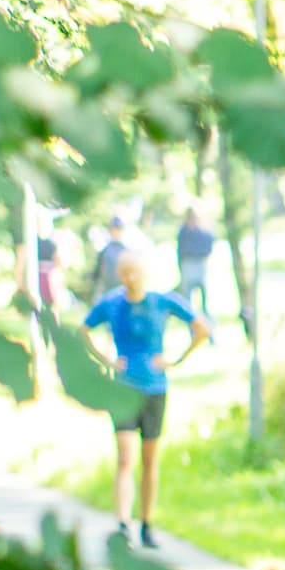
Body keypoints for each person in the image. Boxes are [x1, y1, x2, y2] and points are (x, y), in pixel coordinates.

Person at [81, 248, 209, 547]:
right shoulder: (112, 303)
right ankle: (123, 523)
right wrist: (107, 361)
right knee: (125, 457)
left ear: (145, 272)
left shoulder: (162, 301)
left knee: (150, 460)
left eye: (135, 272)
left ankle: (147, 525)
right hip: (122, 389)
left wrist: (177, 360)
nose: (130, 278)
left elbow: (202, 327)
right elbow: (83, 330)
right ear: (119, 274)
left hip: (155, 388)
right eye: (124, 273)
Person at [174, 207, 215, 324]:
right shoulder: (186, 231)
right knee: (189, 305)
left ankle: (207, 331)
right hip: (192, 265)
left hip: (196, 265)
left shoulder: (198, 231)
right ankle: (196, 331)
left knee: (203, 304)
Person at [90, 215, 127, 298]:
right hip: (106, 293)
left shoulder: (127, 253)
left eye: (118, 229)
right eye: (114, 229)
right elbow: (97, 274)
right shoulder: (104, 251)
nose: (115, 232)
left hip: (122, 295)